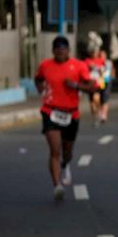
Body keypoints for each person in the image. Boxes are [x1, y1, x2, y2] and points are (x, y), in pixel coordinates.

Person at [35, 36, 94, 200]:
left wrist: (76, 86)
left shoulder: (78, 66)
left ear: (68, 51)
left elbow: (92, 86)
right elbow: (38, 78)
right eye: (57, 50)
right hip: (50, 111)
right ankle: (57, 185)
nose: (60, 53)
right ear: (53, 51)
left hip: (71, 113)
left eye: (63, 50)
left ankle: (66, 163)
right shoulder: (45, 66)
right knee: (55, 150)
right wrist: (40, 89)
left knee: (67, 151)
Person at [84, 36, 111, 125]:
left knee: (98, 99)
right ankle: (96, 116)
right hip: (91, 83)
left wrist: (101, 71)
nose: (94, 54)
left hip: (100, 82)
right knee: (92, 104)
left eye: (95, 52)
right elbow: (84, 71)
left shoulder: (101, 60)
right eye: (92, 52)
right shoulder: (87, 61)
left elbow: (105, 70)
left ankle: (101, 113)